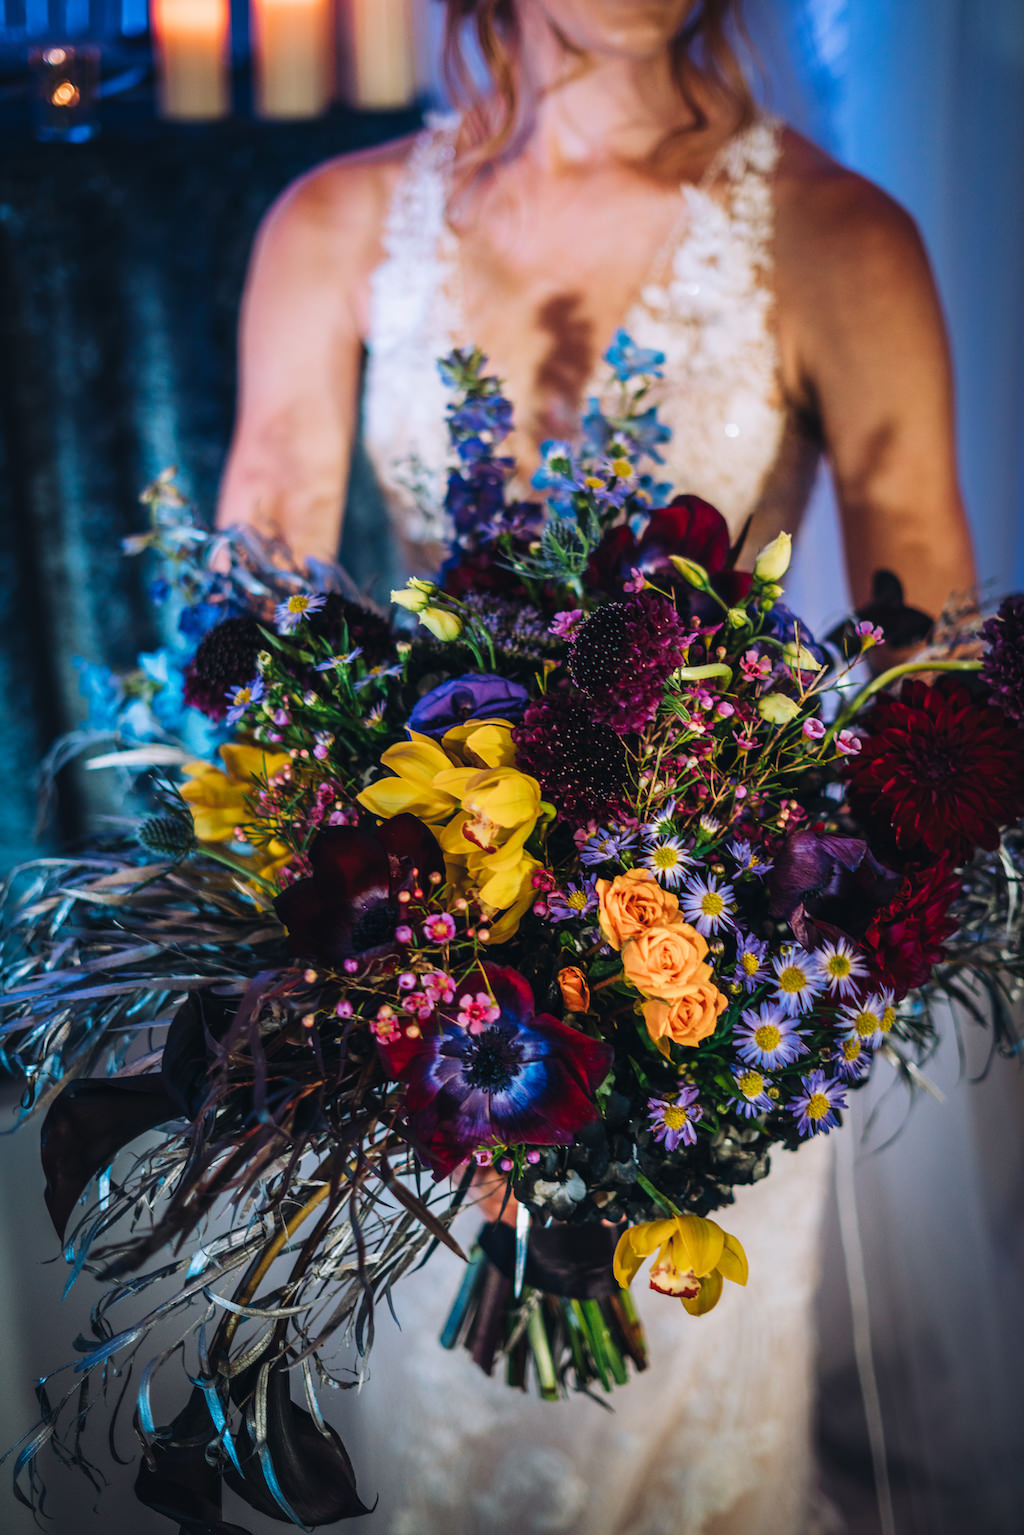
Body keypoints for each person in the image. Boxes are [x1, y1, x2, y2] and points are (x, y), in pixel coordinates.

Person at [216, 3, 976, 1531]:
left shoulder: (842, 234)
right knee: (427, 1454)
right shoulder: (336, 222)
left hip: (709, 990)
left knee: (688, 1465)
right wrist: (358, 928)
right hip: (420, 1004)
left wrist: (756, 956)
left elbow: (931, 677)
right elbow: (256, 595)